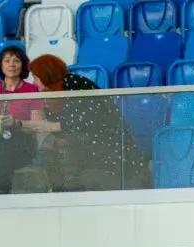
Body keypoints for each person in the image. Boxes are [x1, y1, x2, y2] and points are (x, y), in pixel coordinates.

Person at [18, 54, 147, 190]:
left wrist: (53, 126)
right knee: (49, 146)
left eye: (36, 78)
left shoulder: (75, 84)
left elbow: (90, 121)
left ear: (47, 74)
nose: (34, 83)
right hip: (82, 142)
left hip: (106, 143)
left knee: (57, 144)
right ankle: (59, 189)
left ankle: (69, 188)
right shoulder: (51, 92)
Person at [0, 46, 43, 194]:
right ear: (1, 65)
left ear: (23, 65)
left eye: (16, 61)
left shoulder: (31, 90)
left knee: (1, 150)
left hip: (20, 141)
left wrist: (15, 123)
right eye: (7, 61)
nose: (11, 64)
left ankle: (2, 194)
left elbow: (38, 125)